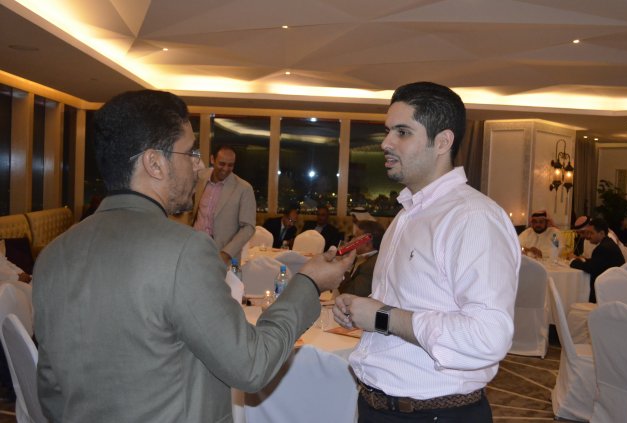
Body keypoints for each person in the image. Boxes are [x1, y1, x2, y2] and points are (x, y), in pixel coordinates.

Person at [32, 90, 355, 423]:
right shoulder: (183, 251)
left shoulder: (53, 256)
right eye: (189, 153)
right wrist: (308, 283)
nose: (199, 165)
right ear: (154, 163)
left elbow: (51, 390)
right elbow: (251, 364)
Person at [333, 82, 520, 422]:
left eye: (403, 132)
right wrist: (363, 309)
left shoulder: (473, 217)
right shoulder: (408, 214)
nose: (386, 143)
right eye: (388, 131)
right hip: (379, 406)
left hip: (435, 414)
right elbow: (410, 302)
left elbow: (488, 337)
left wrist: (383, 317)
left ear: (443, 142)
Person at [191, 145, 256, 264]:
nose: (225, 169)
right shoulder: (200, 177)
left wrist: (226, 253)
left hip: (223, 256)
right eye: (222, 164)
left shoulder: (244, 188)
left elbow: (248, 227)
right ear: (212, 159)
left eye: (230, 165)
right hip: (195, 249)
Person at [569, 217, 625, 303]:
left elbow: (590, 268)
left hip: (608, 290)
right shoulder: (606, 243)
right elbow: (596, 262)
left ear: (601, 233)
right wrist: (583, 260)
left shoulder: (603, 248)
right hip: (614, 284)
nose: (588, 236)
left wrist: (572, 262)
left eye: (591, 233)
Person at [338, 219, 385, 297]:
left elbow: (350, 295)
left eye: (355, 237)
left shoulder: (371, 266)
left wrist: (345, 265)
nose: (351, 241)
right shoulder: (359, 258)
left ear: (368, 243)